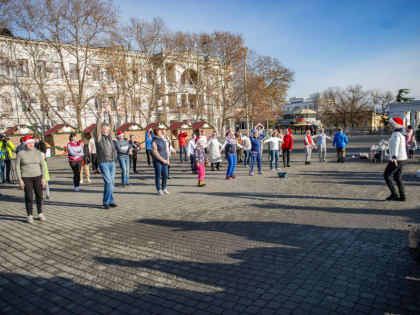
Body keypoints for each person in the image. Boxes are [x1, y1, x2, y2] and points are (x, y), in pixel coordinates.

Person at [15, 135, 46, 223]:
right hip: (26, 178)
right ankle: (29, 215)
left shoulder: (38, 152)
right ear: (25, 145)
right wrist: (20, 179)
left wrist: (43, 178)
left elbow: (42, 165)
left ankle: (40, 213)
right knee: (29, 196)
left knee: (39, 196)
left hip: (38, 176)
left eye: (32, 143)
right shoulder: (21, 153)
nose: (30, 145)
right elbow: (17, 166)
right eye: (28, 143)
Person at [95, 105, 118, 209]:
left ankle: (111, 200)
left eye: (109, 130)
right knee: (108, 182)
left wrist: (110, 113)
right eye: (106, 129)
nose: (108, 131)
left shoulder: (110, 136)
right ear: (102, 130)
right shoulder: (99, 137)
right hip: (103, 161)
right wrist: (100, 113)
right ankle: (105, 202)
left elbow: (112, 124)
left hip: (112, 161)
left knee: (112, 182)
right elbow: (97, 126)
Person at [384, 117, 407, 201]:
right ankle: (402, 196)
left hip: (397, 159)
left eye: (390, 124)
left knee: (387, 175)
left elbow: (396, 146)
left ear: (394, 125)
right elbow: (395, 144)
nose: (389, 125)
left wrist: (394, 157)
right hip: (402, 158)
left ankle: (394, 194)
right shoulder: (400, 132)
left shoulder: (396, 134)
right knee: (397, 177)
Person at [151, 128, 170, 195]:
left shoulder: (162, 139)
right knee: (158, 175)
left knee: (165, 174)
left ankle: (164, 187)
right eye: (159, 131)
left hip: (165, 160)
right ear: (156, 132)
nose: (161, 132)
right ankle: (159, 189)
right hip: (157, 161)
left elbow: (166, 150)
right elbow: (155, 152)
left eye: (161, 131)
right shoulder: (154, 141)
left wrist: (167, 159)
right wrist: (162, 160)